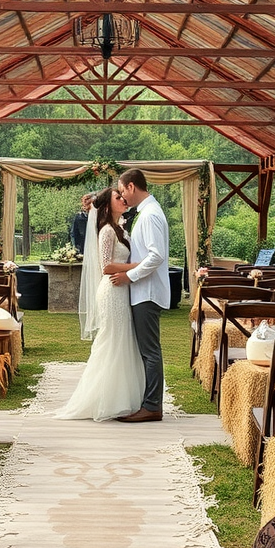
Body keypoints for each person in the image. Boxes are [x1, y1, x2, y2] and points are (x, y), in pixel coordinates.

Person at [56, 187, 145, 421]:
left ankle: (122, 397)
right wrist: (137, 266)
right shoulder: (106, 231)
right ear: (107, 206)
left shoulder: (120, 228)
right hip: (112, 290)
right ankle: (103, 399)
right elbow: (106, 266)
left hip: (121, 289)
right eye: (118, 198)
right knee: (112, 340)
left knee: (123, 340)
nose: (123, 199)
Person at [110, 168, 170, 422]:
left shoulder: (150, 215)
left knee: (150, 351)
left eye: (123, 190)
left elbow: (156, 256)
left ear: (132, 186)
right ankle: (147, 401)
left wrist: (128, 276)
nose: (123, 196)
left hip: (147, 291)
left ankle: (152, 406)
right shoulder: (147, 212)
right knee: (146, 350)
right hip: (142, 290)